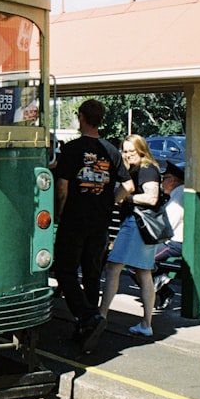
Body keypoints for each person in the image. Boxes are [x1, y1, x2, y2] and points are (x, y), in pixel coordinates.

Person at [53, 99, 132, 353]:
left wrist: (59, 213)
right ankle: (85, 329)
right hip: (101, 221)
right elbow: (128, 186)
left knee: (65, 271)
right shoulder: (112, 151)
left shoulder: (73, 149)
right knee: (91, 274)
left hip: (74, 218)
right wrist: (110, 200)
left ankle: (88, 317)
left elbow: (63, 186)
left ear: (81, 117)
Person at [99, 134, 162, 338]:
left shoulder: (147, 169)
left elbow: (152, 198)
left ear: (141, 150)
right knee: (144, 273)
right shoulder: (137, 169)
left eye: (132, 151)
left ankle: (101, 315)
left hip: (136, 224)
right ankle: (146, 323)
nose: (127, 154)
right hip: (143, 227)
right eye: (125, 151)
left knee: (113, 267)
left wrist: (128, 197)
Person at [153, 160, 185, 310]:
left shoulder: (178, 197)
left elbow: (167, 227)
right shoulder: (177, 194)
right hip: (171, 242)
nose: (161, 183)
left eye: (163, 179)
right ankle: (161, 281)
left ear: (172, 180)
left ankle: (164, 289)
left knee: (136, 260)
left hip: (174, 244)